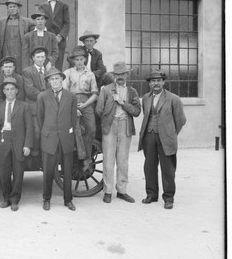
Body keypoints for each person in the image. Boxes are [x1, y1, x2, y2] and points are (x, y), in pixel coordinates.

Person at [138, 69, 186, 210]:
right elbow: (147, 116)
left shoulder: (173, 99)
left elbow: (181, 120)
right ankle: (151, 195)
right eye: (153, 81)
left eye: (159, 80)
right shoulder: (146, 98)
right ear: (149, 84)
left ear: (163, 82)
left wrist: (170, 133)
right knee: (149, 166)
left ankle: (168, 197)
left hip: (166, 137)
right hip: (149, 136)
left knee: (168, 168)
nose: (156, 83)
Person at [95, 62, 141, 204]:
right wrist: (109, 117)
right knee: (108, 160)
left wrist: (122, 103)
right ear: (114, 76)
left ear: (127, 75)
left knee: (122, 160)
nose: (120, 77)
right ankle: (107, 191)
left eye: (122, 74)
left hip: (125, 126)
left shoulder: (132, 91)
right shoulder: (106, 90)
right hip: (110, 126)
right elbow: (99, 109)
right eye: (117, 75)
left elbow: (137, 111)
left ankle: (121, 191)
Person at [0, 77, 33, 211]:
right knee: (3, 171)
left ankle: (15, 199)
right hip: (3, 140)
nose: (10, 92)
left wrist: (27, 145)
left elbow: (30, 127)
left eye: (12, 89)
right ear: (3, 91)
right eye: (7, 89)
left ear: (17, 90)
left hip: (19, 140)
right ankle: (6, 198)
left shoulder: (24, 106)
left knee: (18, 171)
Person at [37, 67, 77, 211]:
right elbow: (40, 119)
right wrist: (47, 132)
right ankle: (46, 199)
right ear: (48, 82)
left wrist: (71, 136)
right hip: (49, 138)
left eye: (57, 78)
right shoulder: (42, 96)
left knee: (67, 171)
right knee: (48, 170)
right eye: (51, 79)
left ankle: (68, 200)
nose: (55, 81)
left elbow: (73, 120)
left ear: (62, 79)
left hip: (66, 138)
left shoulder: (71, 96)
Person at [63, 46, 99, 171]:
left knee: (91, 129)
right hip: (71, 102)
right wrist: (74, 108)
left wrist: (85, 105)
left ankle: (88, 157)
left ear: (85, 59)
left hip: (87, 102)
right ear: (73, 61)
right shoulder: (67, 73)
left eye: (81, 59)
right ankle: (81, 156)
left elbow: (95, 93)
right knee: (76, 129)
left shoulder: (90, 74)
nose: (79, 62)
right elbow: (64, 93)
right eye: (76, 59)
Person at [0, 0, 34, 74]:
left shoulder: (27, 22)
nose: (12, 9)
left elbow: (34, 36)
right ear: (7, 9)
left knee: (20, 72)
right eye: (10, 7)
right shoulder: (1, 21)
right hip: (6, 51)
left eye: (14, 6)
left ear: (19, 8)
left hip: (20, 51)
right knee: (7, 71)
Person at [21, 46, 50, 153]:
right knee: (36, 133)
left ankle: (47, 157)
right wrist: (47, 96)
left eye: (43, 57)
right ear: (33, 58)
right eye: (38, 57)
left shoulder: (50, 71)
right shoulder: (27, 71)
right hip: (34, 108)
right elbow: (30, 91)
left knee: (49, 134)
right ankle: (35, 157)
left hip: (48, 108)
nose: (41, 59)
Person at [38, 0, 70, 70]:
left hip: (59, 40)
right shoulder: (42, 6)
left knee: (58, 64)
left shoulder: (64, 6)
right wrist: (44, 35)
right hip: (46, 39)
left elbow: (67, 23)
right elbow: (40, 21)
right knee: (45, 62)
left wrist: (60, 36)